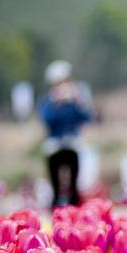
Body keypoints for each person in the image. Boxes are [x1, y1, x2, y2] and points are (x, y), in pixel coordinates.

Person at [38, 60, 93, 209]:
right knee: (56, 187)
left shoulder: (74, 99)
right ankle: (56, 213)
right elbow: (47, 121)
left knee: (73, 187)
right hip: (54, 147)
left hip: (72, 144)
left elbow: (86, 118)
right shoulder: (47, 101)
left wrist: (77, 102)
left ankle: (74, 215)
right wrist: (57, 104)